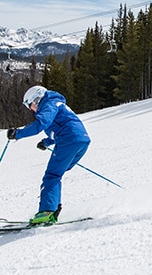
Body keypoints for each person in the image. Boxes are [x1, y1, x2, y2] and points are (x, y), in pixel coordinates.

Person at [6, 86, 91, 225]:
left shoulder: (48, 103)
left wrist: (18, 133)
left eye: (29, 104)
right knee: (56, 174)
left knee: (52, 175)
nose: (30, 109)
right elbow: (62, 126)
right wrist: (46, 142)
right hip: (81, 141)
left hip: (69, 140)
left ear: (37, 99)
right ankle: (52, 209)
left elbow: (41, 124)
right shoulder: (56, 103)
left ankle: (47, 212)